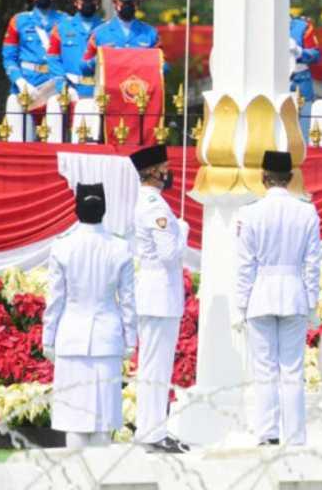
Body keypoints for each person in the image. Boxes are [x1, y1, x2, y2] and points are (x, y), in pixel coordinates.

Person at [234, 150, 320, 446]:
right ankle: (295, 436)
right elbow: (312, 263)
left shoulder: (251, 212)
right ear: (290, 177)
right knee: (292, 369)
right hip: (294, 293)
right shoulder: (307, 211)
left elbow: (245, 265)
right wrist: (312, 303)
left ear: (263, 176)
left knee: (265, 369)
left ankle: (267, 433)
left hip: (261, 294)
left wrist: (241, 304)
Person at [43, 183, 136, 449]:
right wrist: (130, 339)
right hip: (107, 338)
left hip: (71, 337)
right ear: (104, 210)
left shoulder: (62, 247)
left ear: (77, 209)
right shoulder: (120, 248)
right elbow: (127, 300)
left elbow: (55, 300)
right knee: (103, 418)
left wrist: (48, 339)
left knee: (74, 419)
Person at [129, 144, 190, 453]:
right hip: (159, 294)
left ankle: (152, 428)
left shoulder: (151, 201)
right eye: (164, 167)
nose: (168, 172)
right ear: (153, 172)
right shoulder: (154, 205)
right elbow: (169, 253)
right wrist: (183, 230)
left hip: (156, 293)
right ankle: (151, 432)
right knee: (156, 367)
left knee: (157, 366)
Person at [1, 0, 66, 139]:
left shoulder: (66, 21)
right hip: (26, 86)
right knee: (20, 140)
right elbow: (9, 58)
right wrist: (20, 81)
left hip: (54, 86)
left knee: (55, 141)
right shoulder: (19, 20)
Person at [81, 0, 160, 74]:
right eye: (123, 2)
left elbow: (165, 67)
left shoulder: (150, 33)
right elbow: (83, 67)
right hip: (110, 87)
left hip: (139, 87)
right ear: (115, 3)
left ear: (138, 4)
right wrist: (101, 57)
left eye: (131, 2)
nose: (127, 6)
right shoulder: (99, 33)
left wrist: (149, 61)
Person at [47, 0, 105, 100]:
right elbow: (53, 59)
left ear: (98, 2)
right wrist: (62, 86)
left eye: (92, 0)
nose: (87, 3)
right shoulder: (61, 28)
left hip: (99, 91)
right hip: (71, 89)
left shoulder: (107, 29)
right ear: (75, 2)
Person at [289, 0, 321, 135]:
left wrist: (299, 51)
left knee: (302, 133)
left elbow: (315, 55)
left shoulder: (302, 26)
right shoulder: (261, 26)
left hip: (299, 81)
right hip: (271, 82)